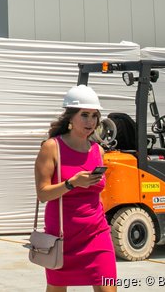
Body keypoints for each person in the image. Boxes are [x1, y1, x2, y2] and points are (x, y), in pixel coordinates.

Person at [32, 85, 116, 292]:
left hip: (96, 233)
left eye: (94, 116)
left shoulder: (98, 150)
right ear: (70, 117)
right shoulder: (52, 147)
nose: (90, 121)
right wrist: (71, 183)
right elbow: (42, 193)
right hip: (62, 236)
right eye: (84, 115)